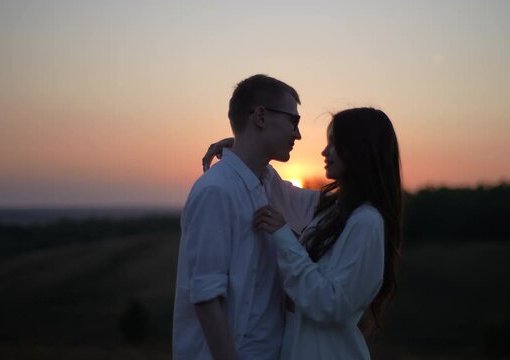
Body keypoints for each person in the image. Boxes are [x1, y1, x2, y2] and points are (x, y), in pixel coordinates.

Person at [210, 107, 403, 359]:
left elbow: (331, 304)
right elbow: (281, 192)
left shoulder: (367, 222)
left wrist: (283, 237)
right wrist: (245, 150)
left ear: (359, 150)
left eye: (335, 143)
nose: (325, 151)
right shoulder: (334, 209)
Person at [172, 74, 319, 360]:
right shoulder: (216, 191)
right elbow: (205, 297)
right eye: (293, 121)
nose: (298, 134)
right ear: (261, 116)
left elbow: (326, 205)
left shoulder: (265, 183)